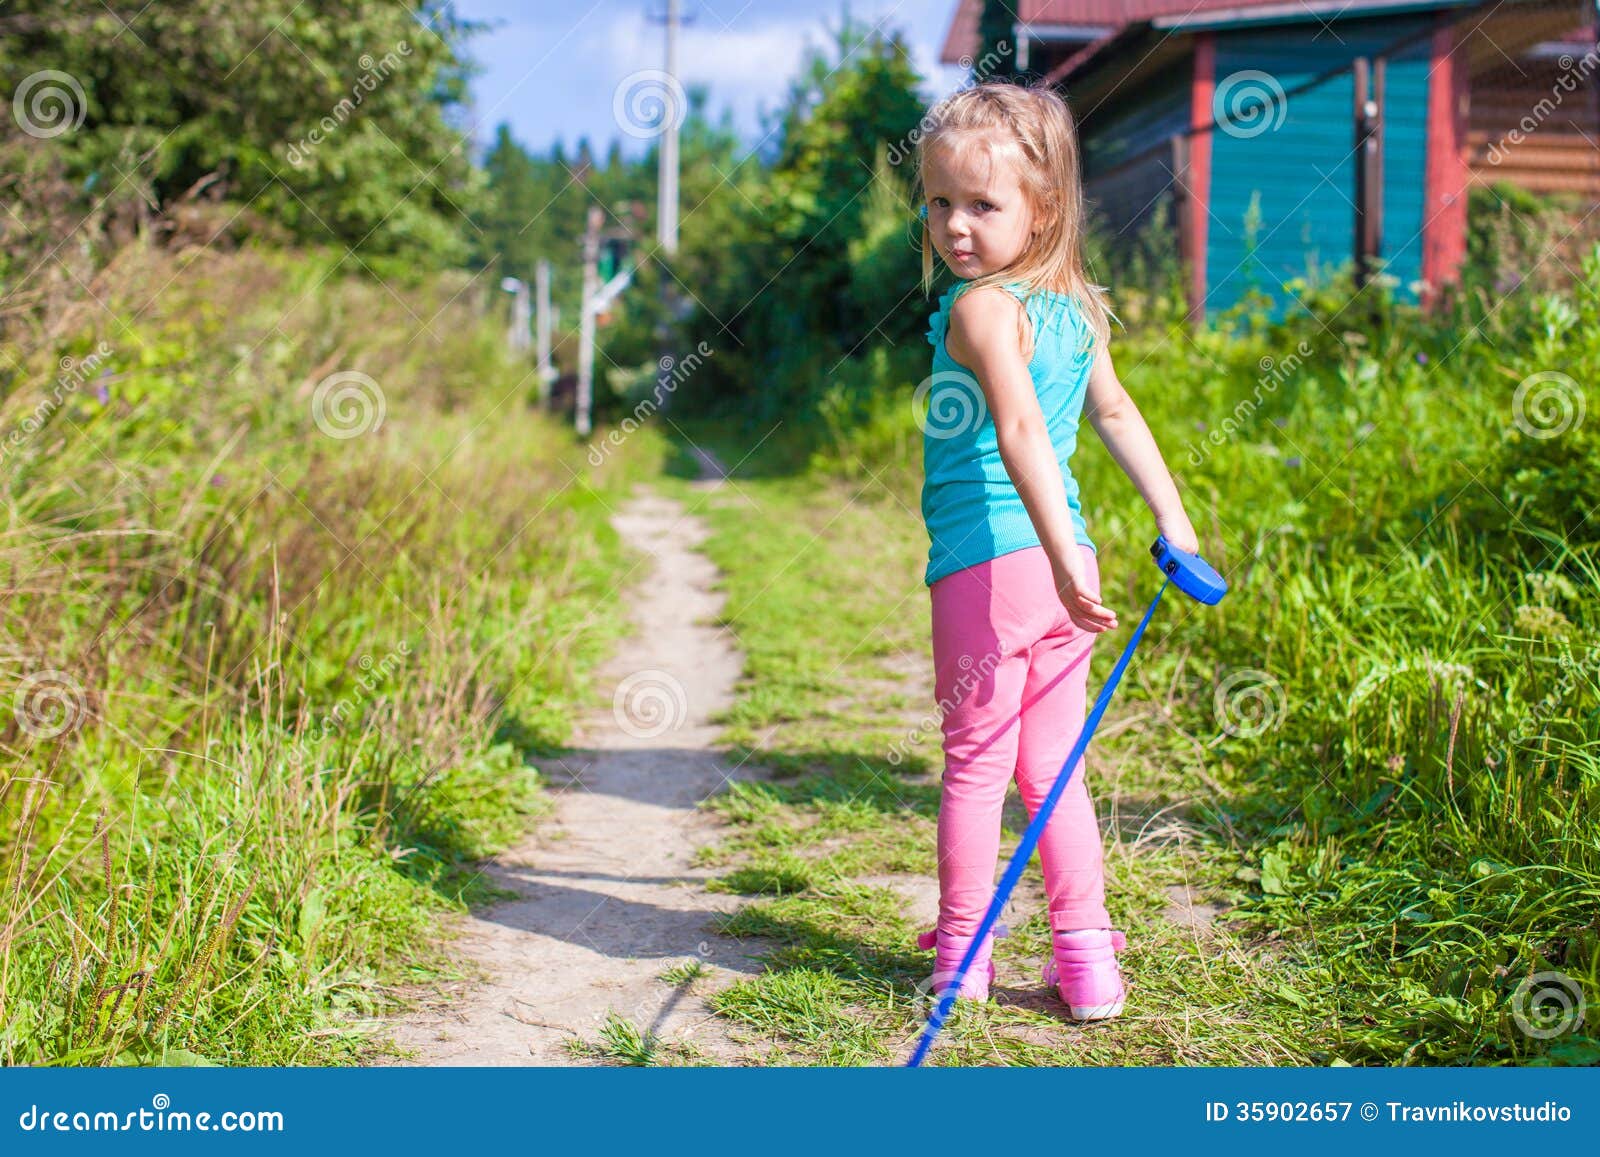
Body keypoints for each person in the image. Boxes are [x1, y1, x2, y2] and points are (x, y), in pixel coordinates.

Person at [913, 80, 1200, 1020]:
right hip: (1062, 565)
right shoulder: (1074, 304)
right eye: (940, 201)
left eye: (982, 205)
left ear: (1044, 209)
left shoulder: (984, 309)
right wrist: (1172, 519)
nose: (956, 226)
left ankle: (963, 958)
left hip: (991, 571)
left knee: (976, 766)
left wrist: (1065, 555)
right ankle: (1087, 963)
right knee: (1055, 769)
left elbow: (1022, 430)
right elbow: (1113, 411)